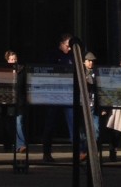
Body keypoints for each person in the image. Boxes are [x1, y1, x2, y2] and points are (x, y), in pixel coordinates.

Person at [42, 31, 74, 162]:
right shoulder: (53, 55)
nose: (70, 48)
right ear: (61, 44)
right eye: (68, 45)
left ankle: (79, 151)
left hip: (69, 95)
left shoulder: (73, 56)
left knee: (73, 123)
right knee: (50, 124)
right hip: (54, 95)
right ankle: (46, 153)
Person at [4, 49, 27, 154]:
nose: (13, 61)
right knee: (9, 124)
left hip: (19, 101)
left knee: (19, 123)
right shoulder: (4, 71)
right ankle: (10, 144)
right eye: (11, 59)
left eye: (15, 59)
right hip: (8, 102)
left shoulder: (21, 71)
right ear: (7, 60)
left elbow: (24, 86)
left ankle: (21, 145)